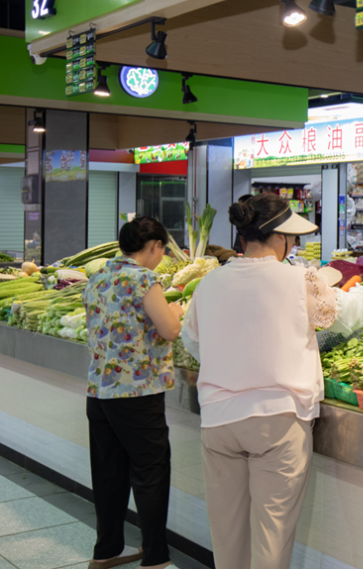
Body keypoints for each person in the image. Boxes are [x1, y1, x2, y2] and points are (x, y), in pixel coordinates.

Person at [181, 193, 363, 569]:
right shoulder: (299, 279)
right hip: (278, 422)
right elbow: (344, 315)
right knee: (272, 534)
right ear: (281, 237)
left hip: (219, 420)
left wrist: (234, 361)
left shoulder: (210, 282)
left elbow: (193, 341)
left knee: (226, 532)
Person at [83, 217, 184, 569]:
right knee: (150, 470)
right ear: (154, 246)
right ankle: (155, 557)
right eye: (162, 251)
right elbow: (170, 330)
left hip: (99, 391)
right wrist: (176, 311)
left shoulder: (98, 276)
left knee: (109, 473)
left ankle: (106, 551)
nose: (162, 258)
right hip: (136, 392)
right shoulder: (143, 279)